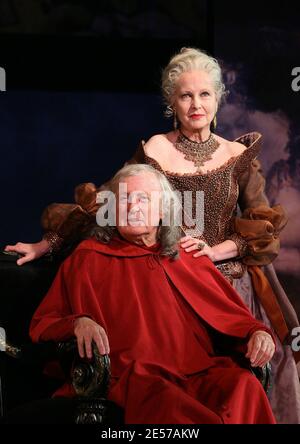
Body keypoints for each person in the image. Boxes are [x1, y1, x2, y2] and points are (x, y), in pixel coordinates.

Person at [5, 47, 300, 423]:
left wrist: (215, 252)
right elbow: (110, 198)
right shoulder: (154, 151)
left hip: (214, 276)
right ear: (171, 102)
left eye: (205, 94)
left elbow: (262, 223)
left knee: (244, 375)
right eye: (185, 95)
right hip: (165, 263)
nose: (196, 104)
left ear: (218, 99)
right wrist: (50, 242)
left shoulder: (236, 154)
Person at [29, 164, 276, 424]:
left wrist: (257, 332)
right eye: (124, 199)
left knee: (243, 385)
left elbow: (232, 318)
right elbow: (45, 322)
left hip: (200, 372)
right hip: (135, 376)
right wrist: (78, 321)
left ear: (162, 210)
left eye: (143, 199)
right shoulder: (88, 257)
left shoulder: (189, 256)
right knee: (170, 404)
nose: (133, 207)